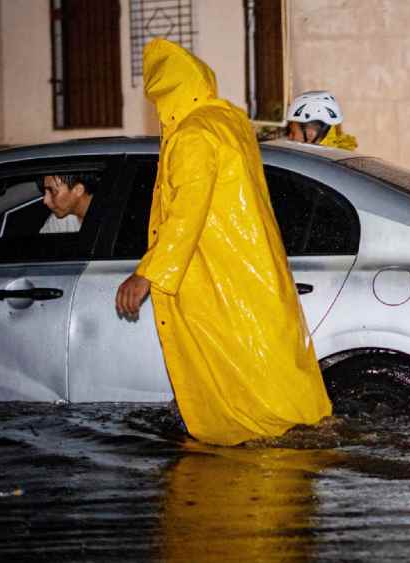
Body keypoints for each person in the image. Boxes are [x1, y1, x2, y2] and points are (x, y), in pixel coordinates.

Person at [114, 38, 332, 446]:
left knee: (246, 408)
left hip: (223, 285)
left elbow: (186, 213)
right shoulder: (229, 123)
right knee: (279, 391)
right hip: (254, 279)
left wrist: (148, 274)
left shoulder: (193, 134)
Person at [285, 90, 358, 150]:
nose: (289, 137)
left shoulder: (318, 163)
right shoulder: (332, 156)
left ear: (310, 134)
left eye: (293, 133)